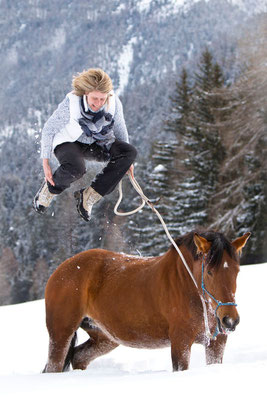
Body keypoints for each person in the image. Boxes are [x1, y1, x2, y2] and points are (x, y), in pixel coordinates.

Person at [33, 68, 137, 221]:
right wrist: (46, 162)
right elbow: (48, 129)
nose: (99, 103)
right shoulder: (71, 104)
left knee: (130, 153)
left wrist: (127, 162)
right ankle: (49, 190)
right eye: (95, 98)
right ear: (86, 93)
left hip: (97, 143)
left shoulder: (113, 103)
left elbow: (120, 129)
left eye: (103, 99)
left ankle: (89, 195)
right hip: (68, 141)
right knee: (77, 168)